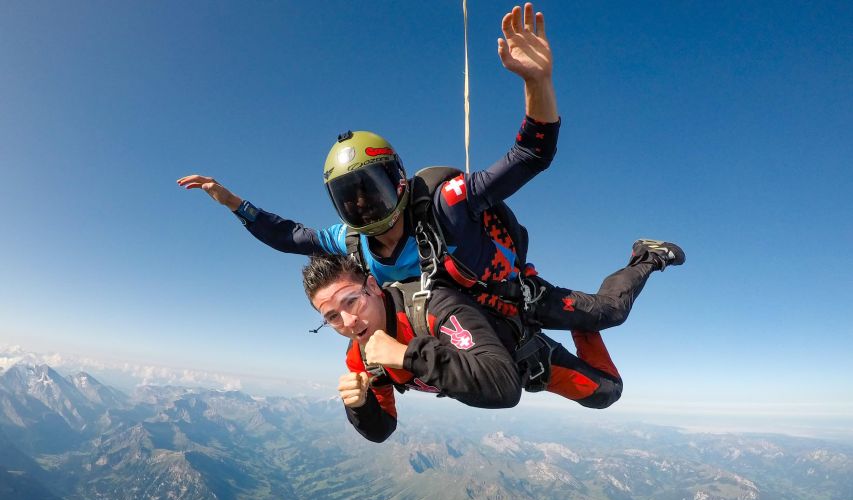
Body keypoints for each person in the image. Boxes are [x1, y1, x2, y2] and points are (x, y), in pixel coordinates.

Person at [178, 3, 685, 338]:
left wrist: (538, 82)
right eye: (349, 200)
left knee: (608, 314)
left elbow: (530, 154)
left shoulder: (449, 203)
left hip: (509, 295)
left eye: (371, 191)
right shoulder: (349, 240)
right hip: (453, 313)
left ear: (399, 182)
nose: (363, 207)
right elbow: (289, 236)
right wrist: (234, 204)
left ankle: (645, 258)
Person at [303, 254, 623, 443]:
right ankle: (579, 319)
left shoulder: (435, 309)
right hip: (481, 377)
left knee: (606, 392)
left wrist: (406, 355)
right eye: (331, 316)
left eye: (351, 301)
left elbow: (504, 388)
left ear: (372, 286)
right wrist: (359, 406)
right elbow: (381, 429)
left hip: (528, 358)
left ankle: (640, 264)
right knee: (603, 395)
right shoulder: (360, 356)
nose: (348, 320)